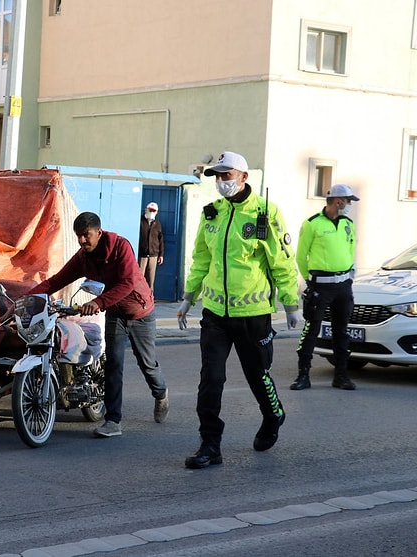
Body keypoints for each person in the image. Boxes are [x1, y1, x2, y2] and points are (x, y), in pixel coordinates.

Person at [177, 151, 301, 469]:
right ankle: (210, 445)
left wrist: (290, 305)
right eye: (217, 176)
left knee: (258, 375)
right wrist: (189, 297)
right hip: (215, 314)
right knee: (211, 379)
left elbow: (282, 262)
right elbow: (201, 259)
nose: (221, 182)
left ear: (243, 177)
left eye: (226, 175)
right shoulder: (211, 213)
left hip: (254, 315)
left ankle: (273, 415)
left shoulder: (266, 214)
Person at [28, 211, 169, 438]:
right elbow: (56, 280)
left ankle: (161, 394)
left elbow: (128, 283)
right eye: (79, 236)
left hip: (140, 312)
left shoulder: (121, 247)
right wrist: (26, 299)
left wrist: (98, 302)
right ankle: (113, 421)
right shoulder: (84, 257)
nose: (82, 241)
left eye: (86, 235)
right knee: (113, 364)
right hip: (115, 313)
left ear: (98, 232)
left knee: (147, 364)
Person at [291, 184, 359, 391]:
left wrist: (350, 275)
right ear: (338, 202)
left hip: (343, 286)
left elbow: (350, 248)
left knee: (342, 332)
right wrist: (308, 281)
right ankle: (303, 375)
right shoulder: (312, 224)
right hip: (321, 285)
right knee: (311, 330)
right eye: (348, 201)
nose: (349, 205)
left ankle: (341, 376)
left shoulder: (348, 223)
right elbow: (301, 256)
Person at [138, 202, 164, 292]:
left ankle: (150, 298)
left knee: (151, 279)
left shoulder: (157, 223)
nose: (151, 212)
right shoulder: (140, 221)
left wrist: (161, 254)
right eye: (150, 210)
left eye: (154, 211)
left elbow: (160, 239)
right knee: (139, 278)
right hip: (142, 255)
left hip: (153, 255)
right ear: (146, 209)